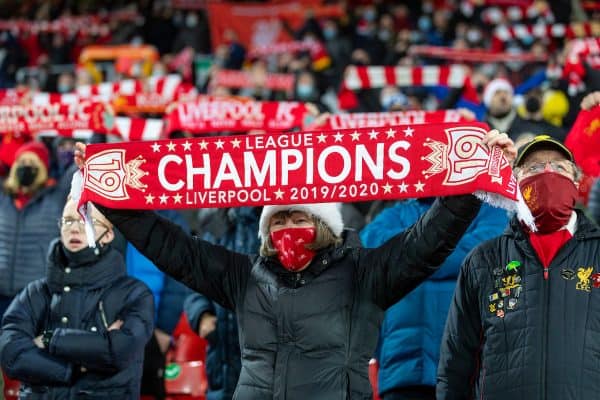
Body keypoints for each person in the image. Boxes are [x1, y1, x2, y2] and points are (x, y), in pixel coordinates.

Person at [73, 130, 516, 399]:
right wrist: (112, 196)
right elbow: (173, 248)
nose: (288, 225)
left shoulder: (365, 273)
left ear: (323, 223)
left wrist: (471, 178)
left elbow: (428, 240)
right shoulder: (242, 275)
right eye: (279, 218)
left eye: (299, 216)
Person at [437, 134, 598, 400]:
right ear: (514, 182)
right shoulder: (483, 261)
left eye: (559, 167)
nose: (547, 174)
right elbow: (456, 365)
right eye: (533, 168)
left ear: (577, 182)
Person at [0, 198, 154, 399]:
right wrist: (72, 369)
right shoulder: (35, 292)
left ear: (108, 235)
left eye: (86, 222)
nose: (74, 229)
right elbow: (11, 353)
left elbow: (120, 350)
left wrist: (50, 339)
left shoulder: (134, 294)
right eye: (68, 221)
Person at [360, 198, 509, 400]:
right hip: (402, 370)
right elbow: (369, 246)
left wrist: (410, 257)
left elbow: (487, 252)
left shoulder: (490, 212)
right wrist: (449, 252)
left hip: (468, 372)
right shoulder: (392, 214)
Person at [183, 207, 260, 400]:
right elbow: (196, 281)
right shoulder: (215, 226)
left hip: (262, 356)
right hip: (222, 355)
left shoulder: (275, 221)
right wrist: (201, 316)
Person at [0, 140, 72, 317]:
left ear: (43, 168)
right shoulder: (3, 197)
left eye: (33, 163)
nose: (26, 167)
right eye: (22, 162)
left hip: (34, 296)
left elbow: (78, 169)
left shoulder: (56, 196)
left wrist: (102, 125)